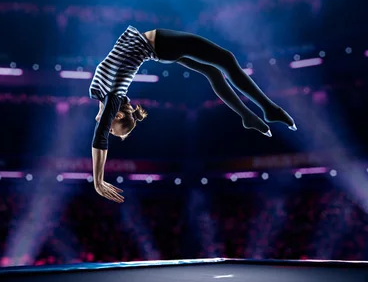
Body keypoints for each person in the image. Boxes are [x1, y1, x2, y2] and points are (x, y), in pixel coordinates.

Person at [90, 26, 296, 203]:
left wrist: (98, 179)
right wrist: (98, 180)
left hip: (160, 47)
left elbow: (100, 134)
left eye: (111, 128)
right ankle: (267, 110)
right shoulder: (113, 96)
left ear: (115, 117)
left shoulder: (101, 94)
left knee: (214, 71)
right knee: (226, 60)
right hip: (161, 45)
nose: (105, 125)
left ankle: (249, 116)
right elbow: (101, 133)